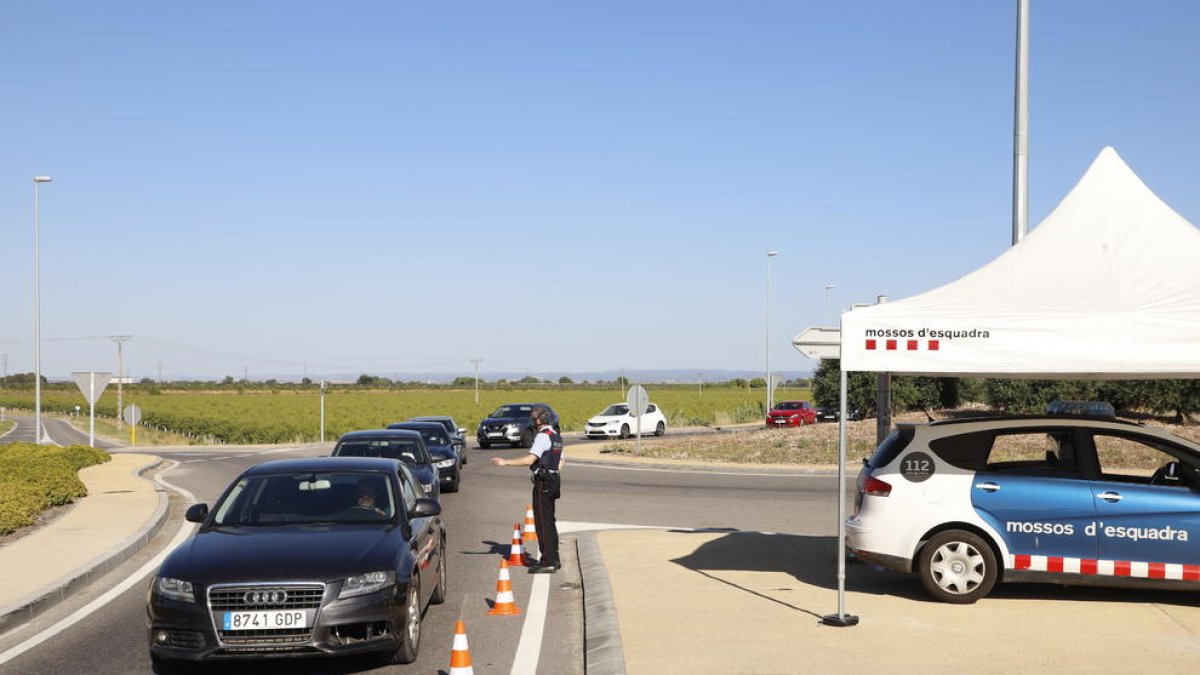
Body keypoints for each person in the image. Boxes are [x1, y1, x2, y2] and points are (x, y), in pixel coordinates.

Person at [491, 405, 564, 573]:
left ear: (539, 420)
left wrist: (505, 462)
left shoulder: (542, 436)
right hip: (553, 480)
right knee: (549, 521)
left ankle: (548, 562)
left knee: (542, 523)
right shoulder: (556, 436)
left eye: (534, 416)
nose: (532, 419)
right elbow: (562, 461)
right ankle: (554, 558)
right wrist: (552, 473)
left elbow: (530, 460)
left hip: (543, 482)